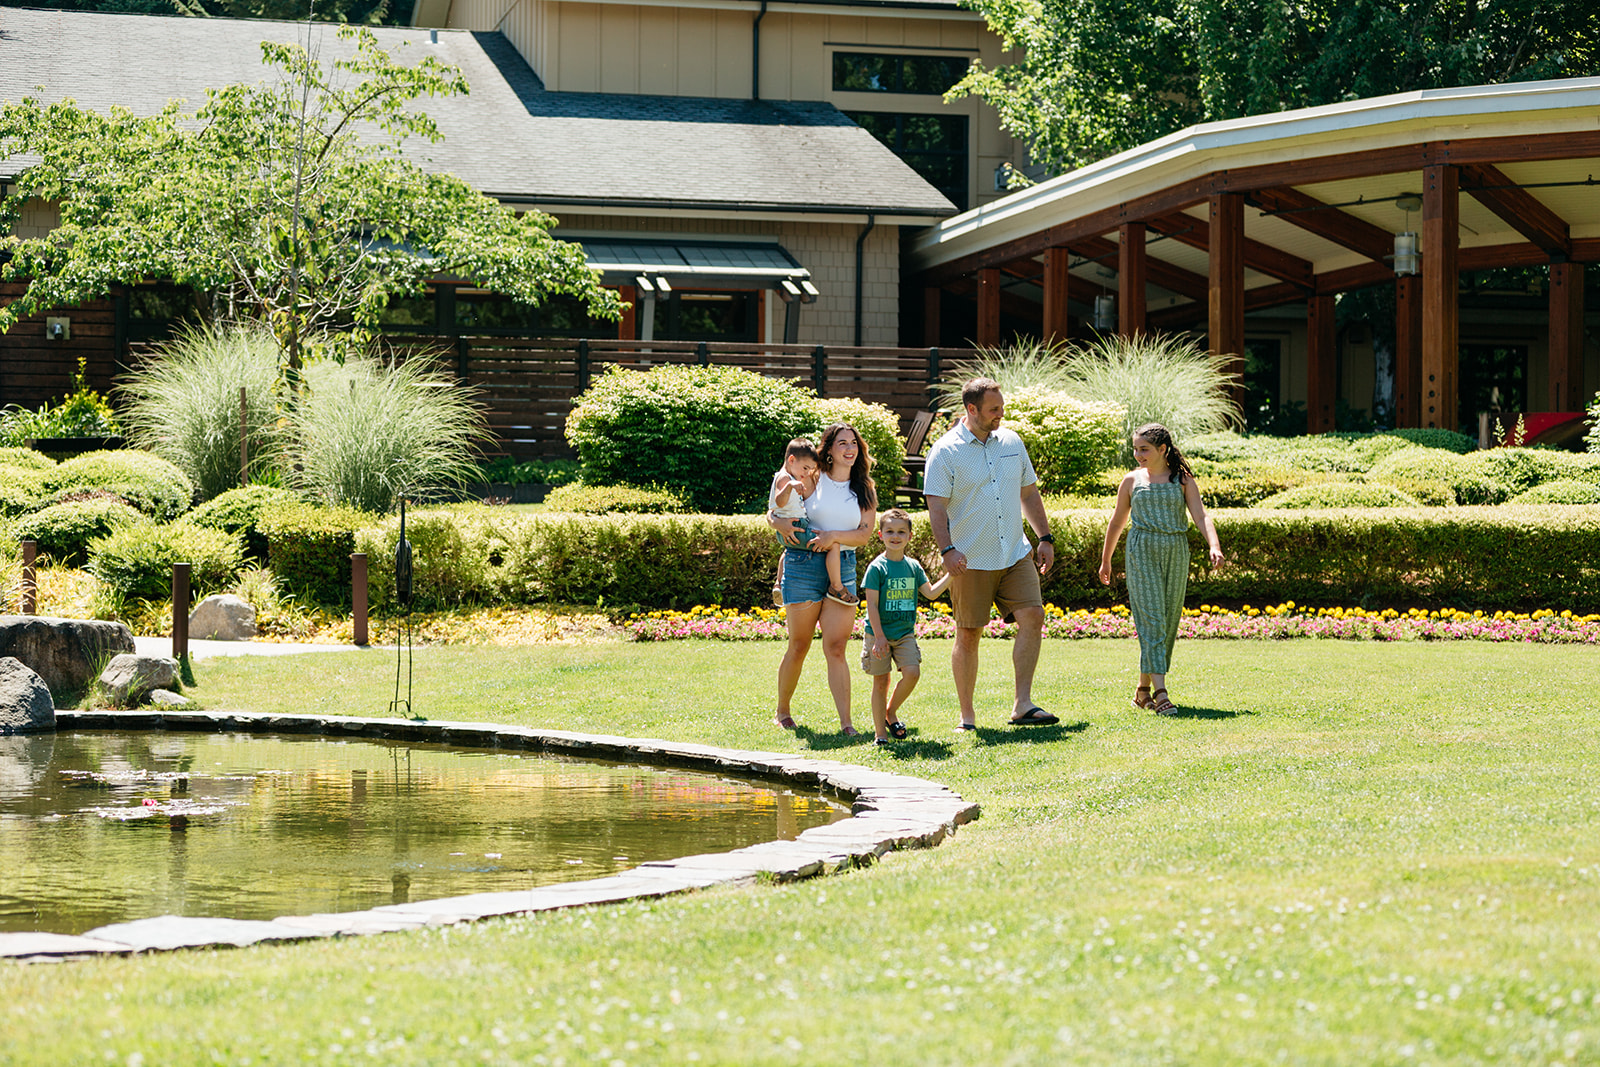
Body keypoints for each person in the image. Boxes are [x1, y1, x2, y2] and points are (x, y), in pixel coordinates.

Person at [923, 378, 1058, 730]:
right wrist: (947, 549)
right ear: (971, 410)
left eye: (1001, 407)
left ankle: (1023, 704)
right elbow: (935, 508)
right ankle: (967, 716)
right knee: (969, 634)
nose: (1001, 414)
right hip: (970, 560)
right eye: (993, 409)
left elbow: (1027, 493)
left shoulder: (1012, 442)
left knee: (1033, 617)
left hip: (1015, 553)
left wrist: (1045, 537)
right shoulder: (945, 452)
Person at [1098, 422, 1225, 716]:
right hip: (1141, 551)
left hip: (1176, 551)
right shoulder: (1131, 481)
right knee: (1152, 617)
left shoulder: (1182, 480)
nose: (1138, 454)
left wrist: (1214, 545)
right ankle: (1161, 692)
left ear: (1162, 449)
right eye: (1136, 449)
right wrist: (1106, 560)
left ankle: (1143, 691)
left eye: (1144, 449)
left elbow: (1201, 515)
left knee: (1167, 620)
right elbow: (1117, 522)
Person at [769, 422, 877, 735]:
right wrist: (776, 522)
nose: (849, 449)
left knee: (836, 647)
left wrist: (832, 537)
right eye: (842, 443)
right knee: (799, 644)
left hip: (841, 566)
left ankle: (847, 724)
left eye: (854, 443)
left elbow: (865, 534)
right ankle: (783, 712)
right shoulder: (813, 477)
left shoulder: (865, 489)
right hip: (802, 564)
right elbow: (777, 506)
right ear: (828, 449)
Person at [860, 508, 950, 746]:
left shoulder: (913, 566)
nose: (895, 536)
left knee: (912, 673)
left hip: (904, 634)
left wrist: (951, 575)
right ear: (880, 535)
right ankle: (880, 733)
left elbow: (930, 593)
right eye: (889, 531)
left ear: (909, 536)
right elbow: (871, 606)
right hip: (878, 634)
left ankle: (891, 712)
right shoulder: (877, 568)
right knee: (881, 682)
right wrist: (879, 637)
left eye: (901, 532)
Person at [768, 438, 854, 607]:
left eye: (811, 470)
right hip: (796, 525)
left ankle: (778, 583)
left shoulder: (789, 477)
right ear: (791, 460)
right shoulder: (785, 479)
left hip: (793, 526)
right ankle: (836, 586)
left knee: (788, 550)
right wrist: (790, 486)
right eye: (805, 468)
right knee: (833, 544)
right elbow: (778, 501)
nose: (807, 473)